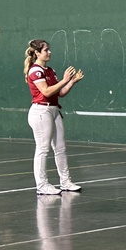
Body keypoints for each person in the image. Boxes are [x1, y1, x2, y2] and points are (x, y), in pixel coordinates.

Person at [24, 39, 84, 196]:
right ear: (37, 53)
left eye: (49, 49)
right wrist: (64, 80)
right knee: (43, 149)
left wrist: (71, 82)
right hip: (41, 112)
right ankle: (42, 185)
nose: (49, 52)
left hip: (54, 110)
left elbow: (60, 93)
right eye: (46, 50)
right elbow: (46, 91)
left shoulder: (50, 71)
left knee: (60, 148)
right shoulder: (35, 71)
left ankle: (65, 182)